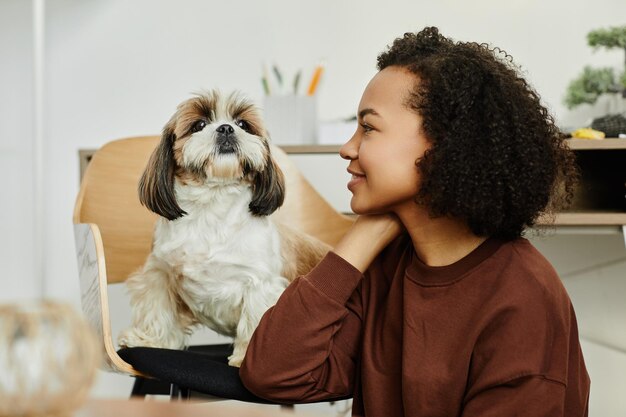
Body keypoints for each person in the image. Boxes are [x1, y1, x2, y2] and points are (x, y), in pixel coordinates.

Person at [240, 26, 590, 416]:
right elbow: (272, 373)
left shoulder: (522, 299)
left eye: (368, 127)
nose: (347, 148)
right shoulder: (385, 265)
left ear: (443, 145)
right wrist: (363, 238)